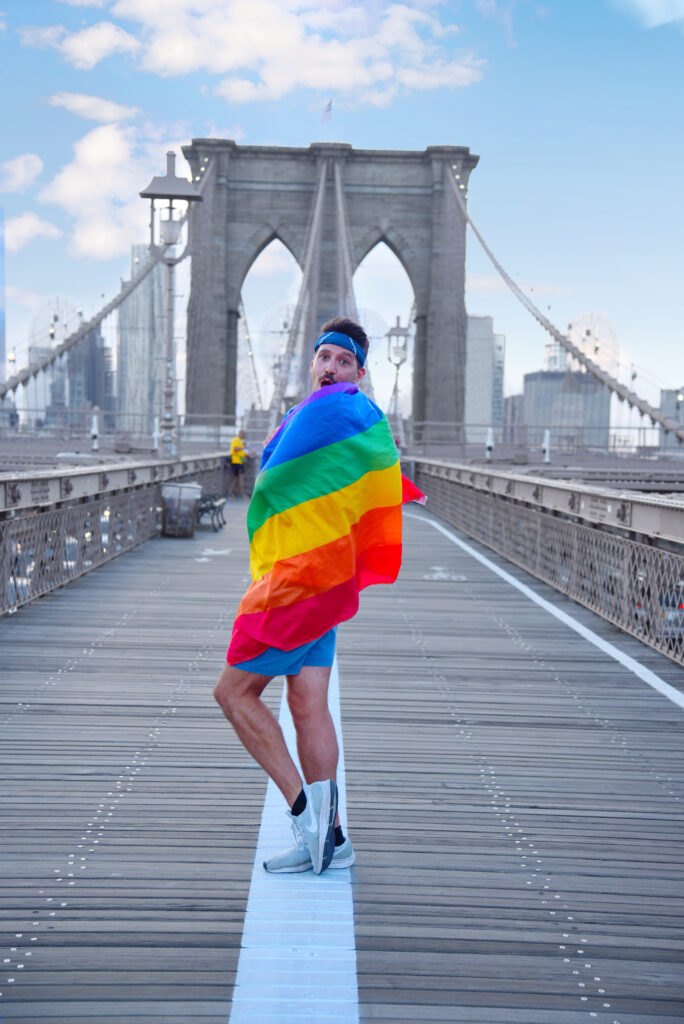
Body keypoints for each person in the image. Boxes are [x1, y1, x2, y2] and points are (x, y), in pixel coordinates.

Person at [213, 316, 422, 875]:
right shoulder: (312, 415)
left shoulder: (346, 408)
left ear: (359, 371)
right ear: (313, 361)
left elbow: (377, 457)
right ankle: (335, 839)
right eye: (324, 357)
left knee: (233, 695)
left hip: (296, 587)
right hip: (318, 581)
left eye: (343, 361)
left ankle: (307, 819)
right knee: (308, 705)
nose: (331, 368)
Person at [228, 429, 252, 498]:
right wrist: (243, 447)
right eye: (244, 434)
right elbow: (235, 449)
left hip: (239, 461)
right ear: (241, 434)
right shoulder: (236, 440)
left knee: (237, 478)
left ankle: (230, 493)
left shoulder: (240, 441)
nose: (245, 436)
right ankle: (241, 494)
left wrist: (250, 454)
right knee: (240, 477)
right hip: (237, 462)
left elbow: (241, 453)